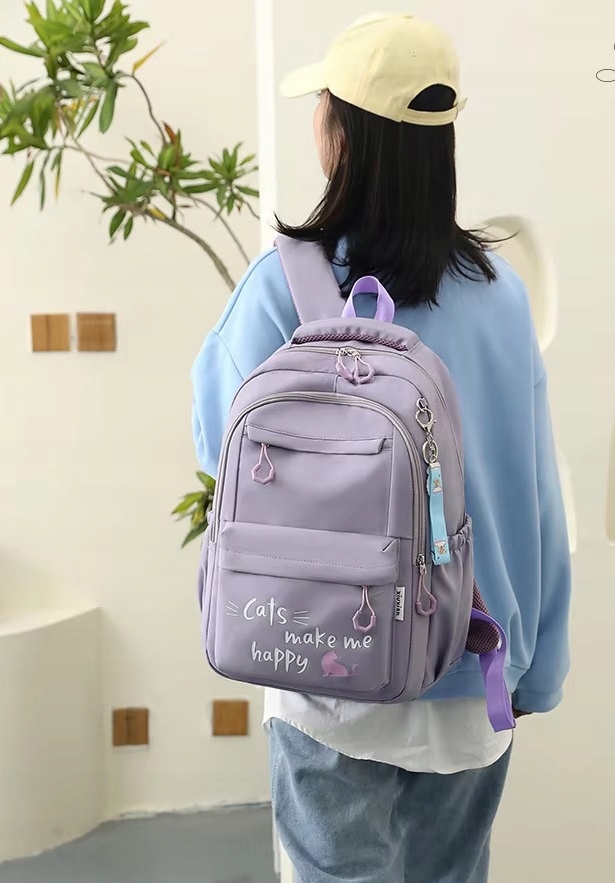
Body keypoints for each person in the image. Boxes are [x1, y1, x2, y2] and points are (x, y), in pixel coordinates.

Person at [191, 12, 571, 883]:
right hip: (471, 658)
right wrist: (537, 665)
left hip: (328, 662)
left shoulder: (284, 286)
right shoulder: (500, 293)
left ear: (341, 132)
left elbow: (223, 453)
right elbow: (536, 495)